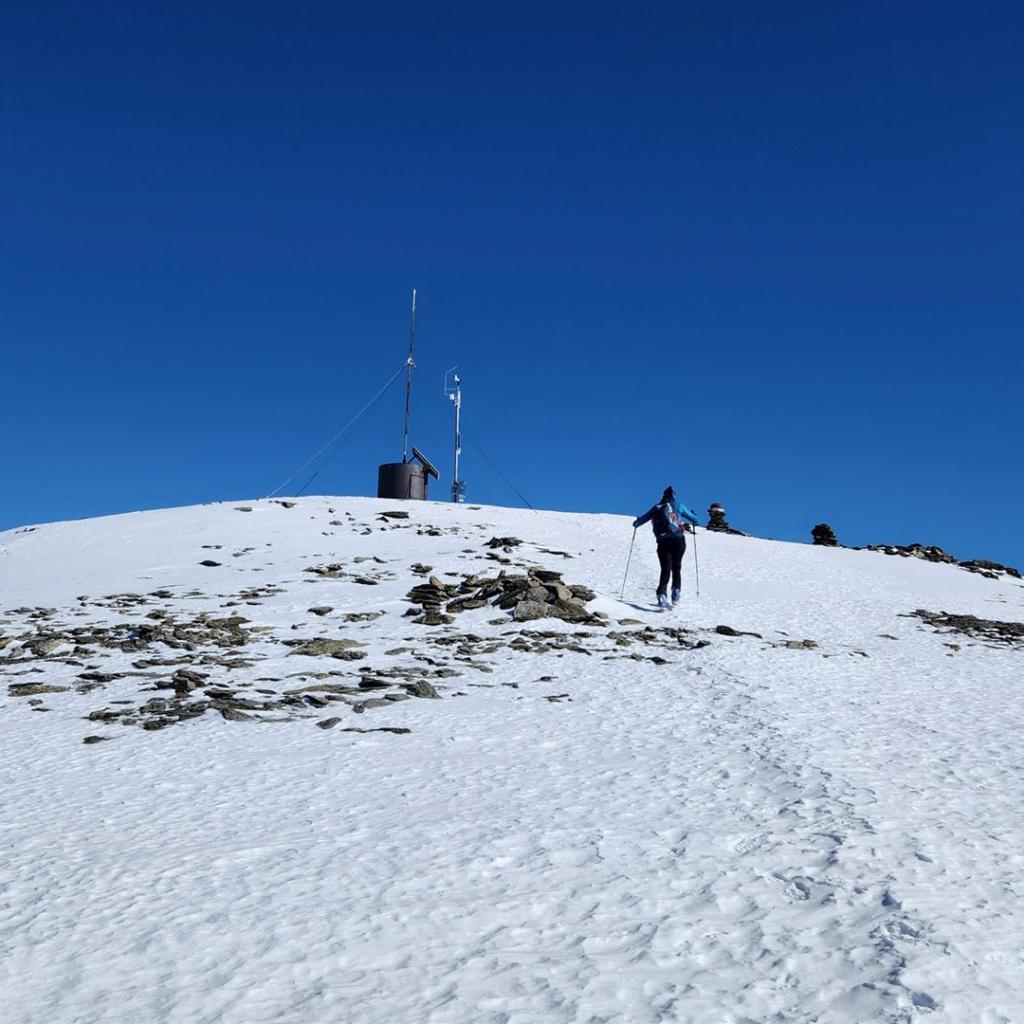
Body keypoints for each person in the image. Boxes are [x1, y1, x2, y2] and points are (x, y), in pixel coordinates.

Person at [633, 486, 700, 609]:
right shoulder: (678, 505)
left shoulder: (657, 507)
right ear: (674, 495)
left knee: (665, 569)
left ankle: (662, 595)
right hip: (678, 540)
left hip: (663, 541)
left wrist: (637, 522)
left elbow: (639, 522)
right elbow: (695, 520)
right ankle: (676, 592)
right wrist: (694, 515)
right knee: (676, 566)